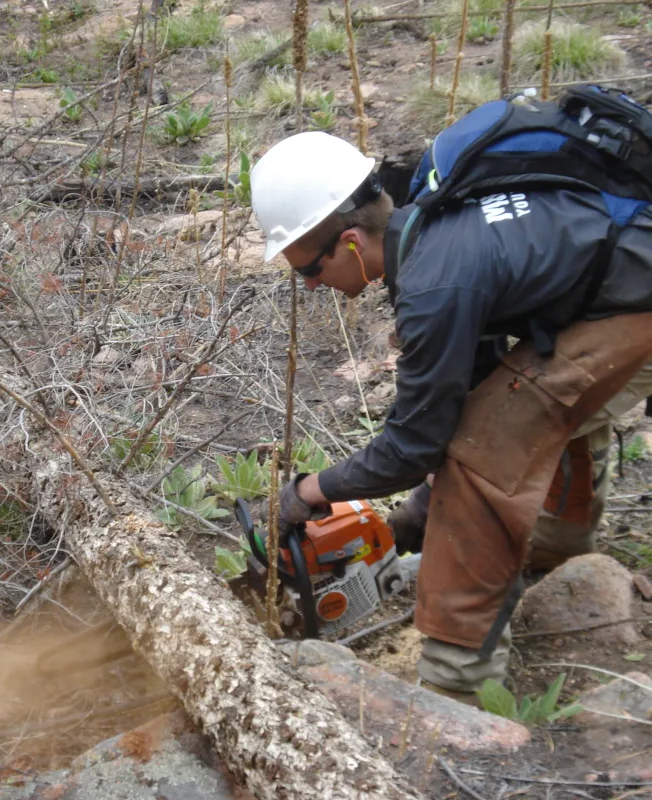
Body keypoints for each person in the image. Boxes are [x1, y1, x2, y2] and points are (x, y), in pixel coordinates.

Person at [249, 129, 652, 698]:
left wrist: (312, 491)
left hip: (635, 304)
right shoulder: (432, 219)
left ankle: (456, 684)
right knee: (528, 406)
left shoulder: (436, 281)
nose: (314, 286)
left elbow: (415, 447)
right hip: (616, 288)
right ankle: (558, 543)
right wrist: (420, 503)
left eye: (308, 271)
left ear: (349, 243)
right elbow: (474, 382)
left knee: (482, 460)